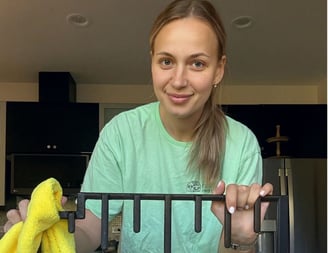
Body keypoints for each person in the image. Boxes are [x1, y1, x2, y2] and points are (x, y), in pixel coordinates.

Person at [4, 0, 273, 252]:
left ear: (218, 69)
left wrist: (239, 240)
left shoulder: (241, 143)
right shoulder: (121, 133)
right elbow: (88, 229)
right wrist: (48, 239)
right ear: (152, 62)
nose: (178, 80)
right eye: (166, 61)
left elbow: (235, 248)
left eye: (197, 63)